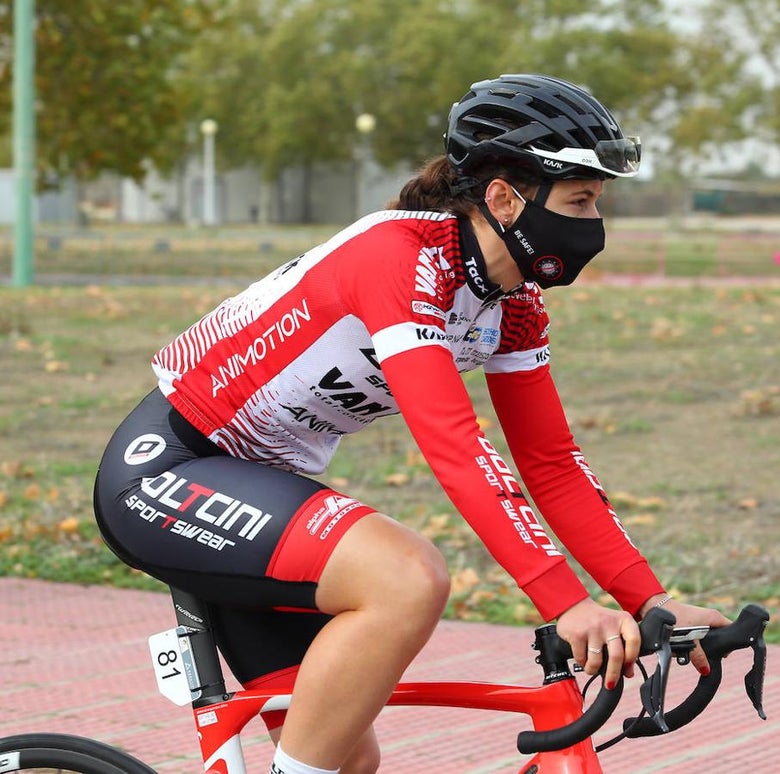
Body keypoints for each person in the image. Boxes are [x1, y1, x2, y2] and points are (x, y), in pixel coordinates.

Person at [93, 73, 729, 774]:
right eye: (578, 201)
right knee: (405, 577)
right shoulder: (398, 258)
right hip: (169, 471)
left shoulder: (509, 302)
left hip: (262, 490)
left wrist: (652, 599)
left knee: (344, 761)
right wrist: (566, 603)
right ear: (503, 198)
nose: (592, 223)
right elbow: (454, 444)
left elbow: (551, 463)